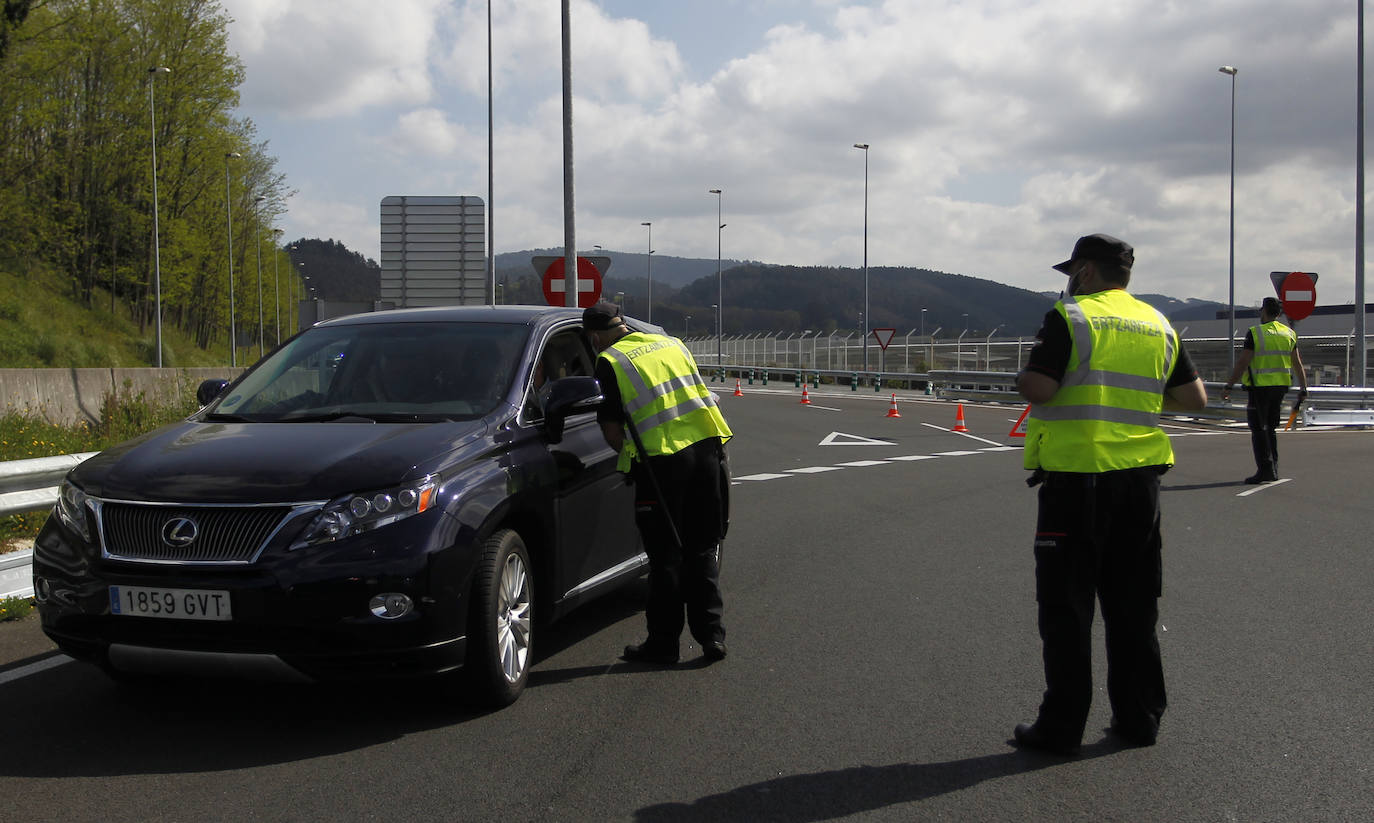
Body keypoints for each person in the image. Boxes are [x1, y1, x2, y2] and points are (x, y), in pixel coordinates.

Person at [1013, 234, 1207, 755]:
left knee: (1066, 608)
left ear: (1086, 272)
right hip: (1140, 483)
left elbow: (1041, 388)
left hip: (1076, 481)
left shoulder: (1071, 318)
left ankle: (1060, 728)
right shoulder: (1158, 323)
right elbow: (1194, 398)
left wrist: (1024, 374)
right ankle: (1139, 718)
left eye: (1072, 272)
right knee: (1133, 605)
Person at [584, 301, 733, 665]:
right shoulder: (672, 343)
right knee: (701, 548)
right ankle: (712, 637)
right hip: (707, 452)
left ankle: (663, 644)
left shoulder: (611, 361)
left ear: (594, 336)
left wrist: (630, 458)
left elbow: (612, 427)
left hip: (663, 464)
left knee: (666, 557)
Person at [1221, 297, 1308, 483]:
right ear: (1279, 313)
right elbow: (1297, 363)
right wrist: (1303, 388)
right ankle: (1273, 467)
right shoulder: (1289, 334)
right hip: (1280, 388)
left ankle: (1265, 469)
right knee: (1270, 428)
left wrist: (1229, 385)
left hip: (1259, 388)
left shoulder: (1255, 333)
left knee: (1258, 429)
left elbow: (1243, 362)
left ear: (1264, 311)